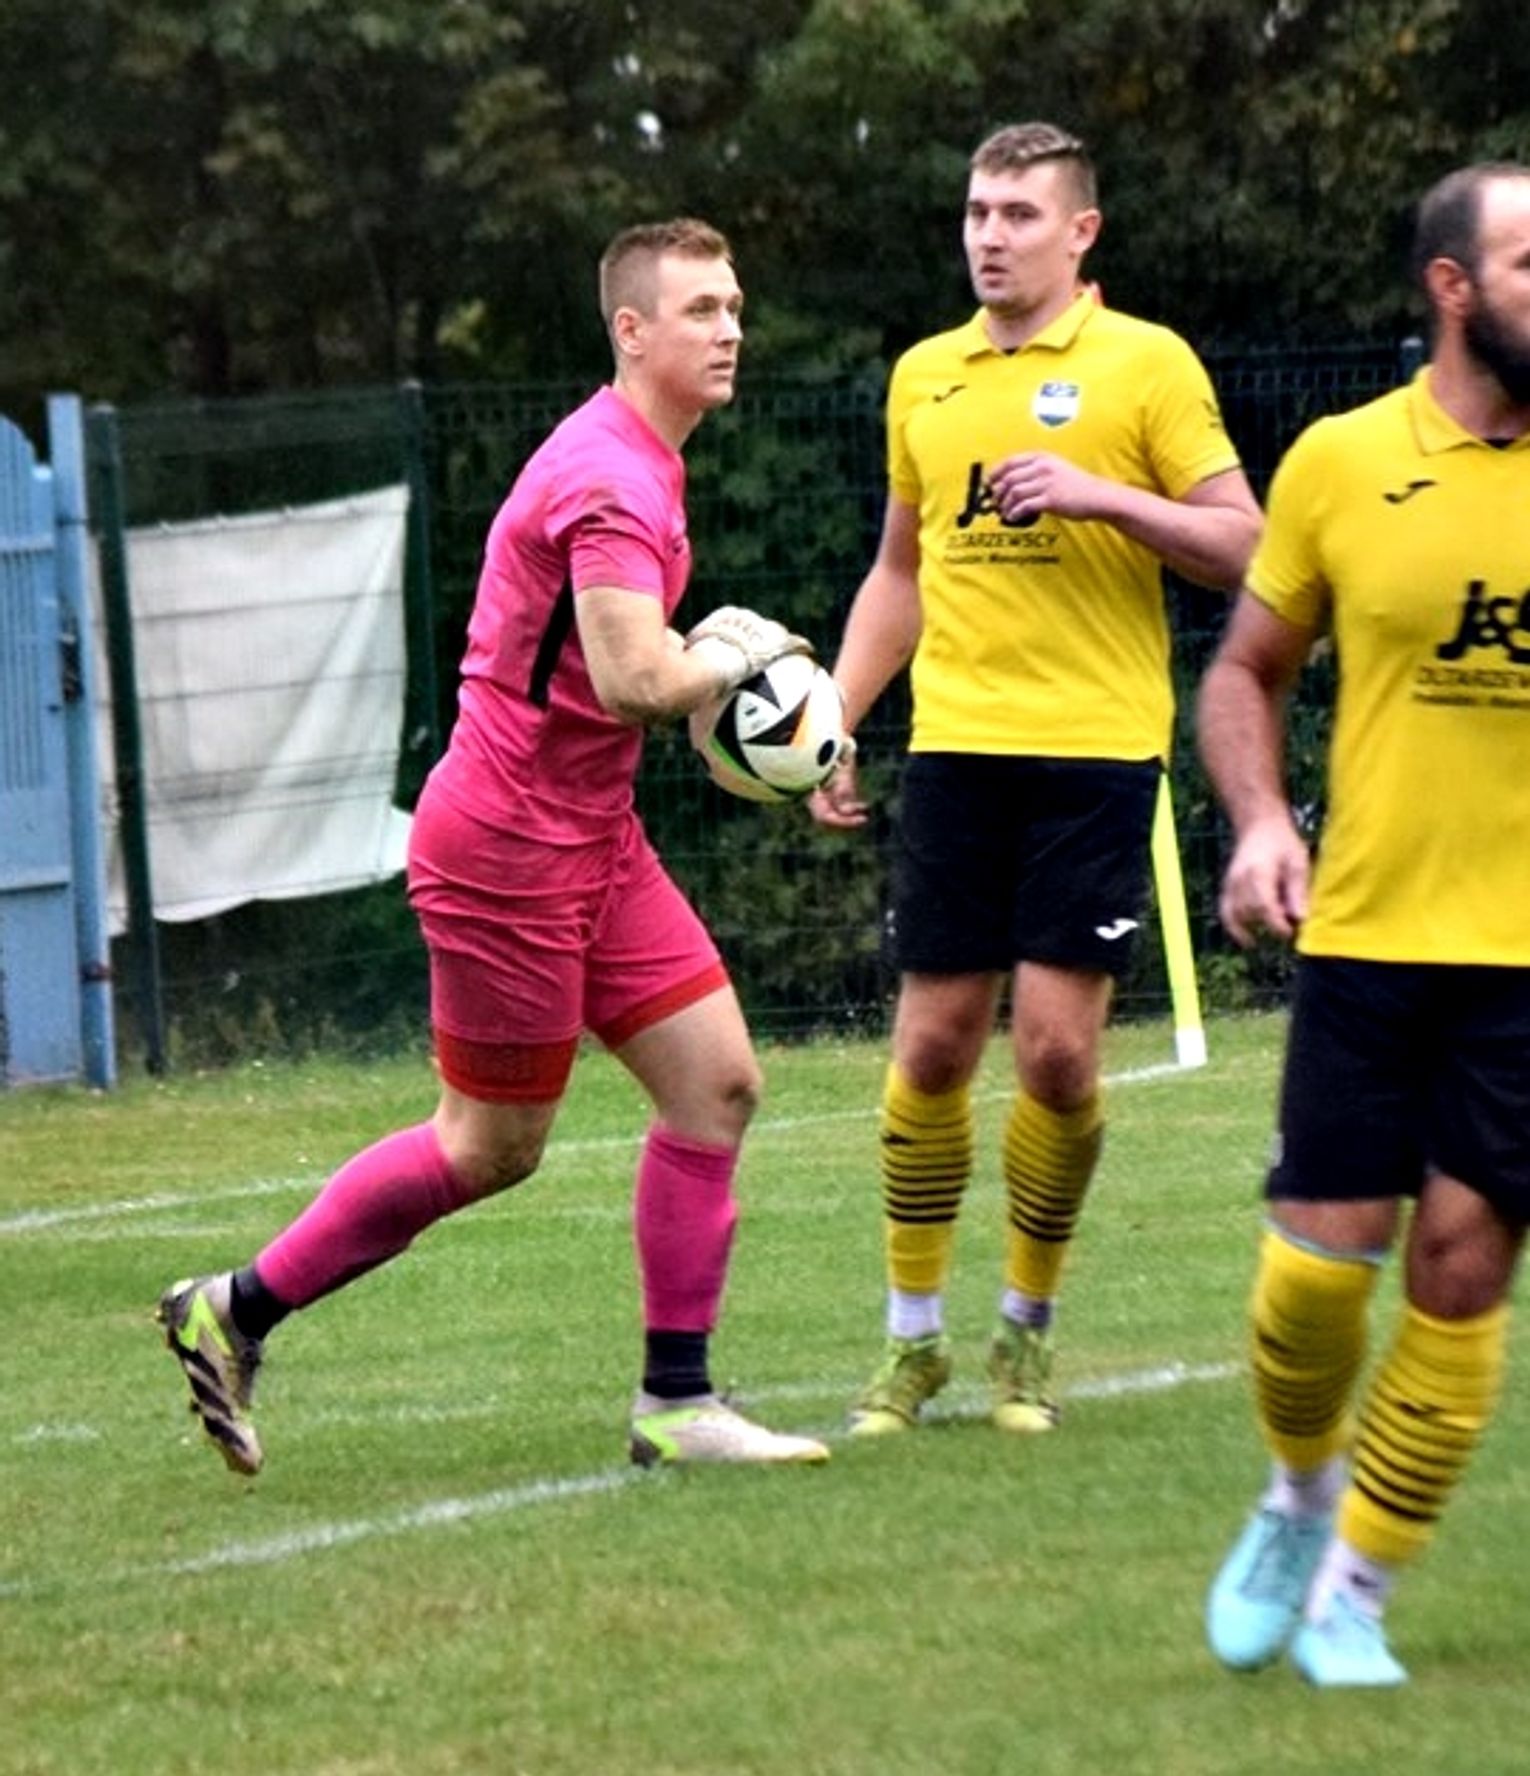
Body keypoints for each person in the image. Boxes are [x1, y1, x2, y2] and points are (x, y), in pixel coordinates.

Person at [157, 218, 830, 1475]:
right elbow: (636, 678)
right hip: (509, 850)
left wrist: (742, 708)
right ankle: (233, 1309)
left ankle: (677, 1404)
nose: (730, 329)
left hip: (592, 836)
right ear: (631, 330)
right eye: (701, 310)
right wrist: (737, 657)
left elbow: (619, 677)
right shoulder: (613, 478)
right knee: (489, 1146)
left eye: (735, 307)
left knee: (718, 1085)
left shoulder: (641, 458)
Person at [811, 122, 1261, 1437]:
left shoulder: (1146, 364)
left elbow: (1246, 543)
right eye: (976, 212)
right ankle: (912, 1343)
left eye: (1017, 214)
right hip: (958, 750)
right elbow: (899, 572)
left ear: (1080, 232)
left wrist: (1100, 496)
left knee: (1058, 1057)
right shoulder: (926, 375)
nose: (989, 236)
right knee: (932, 1045)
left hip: (1094, 752)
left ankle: (1025, 1329)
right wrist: (835, 719)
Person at [1200, 162, 1530, 1687]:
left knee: (1458, 1274)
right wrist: (1263, 821)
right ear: (1450, 287)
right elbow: (1243, 671)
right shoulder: (1339, 462)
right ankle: (1295, 1496)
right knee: (1314, 1281)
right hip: (1370, 937)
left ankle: (1352, 1596)